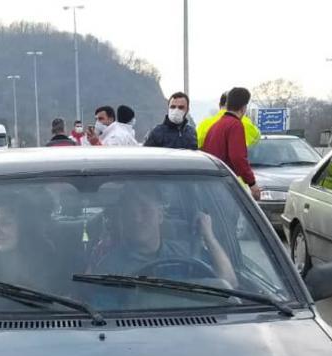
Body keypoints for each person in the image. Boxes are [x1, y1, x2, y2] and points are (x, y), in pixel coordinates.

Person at [88, 183, 236, 285]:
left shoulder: (187, 253)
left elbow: (229, 282)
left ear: (160, 215)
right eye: (129, 213)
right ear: (122, 220)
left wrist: (209, 237)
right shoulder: (109, 267)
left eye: (145, 210)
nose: (137, 218)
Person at [201, 87, 261, 200]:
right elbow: (238, 157)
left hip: (213, 183)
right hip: (226, 186)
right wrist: (252, 184)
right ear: (244, 108)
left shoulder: (216, 125)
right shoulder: (235, 125)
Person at [196, 91, 261, 150]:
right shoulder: (245, 122)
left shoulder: (205, 124)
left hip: (213, 162)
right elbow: (257, 139)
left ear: (219, 105)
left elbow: (197, 146)